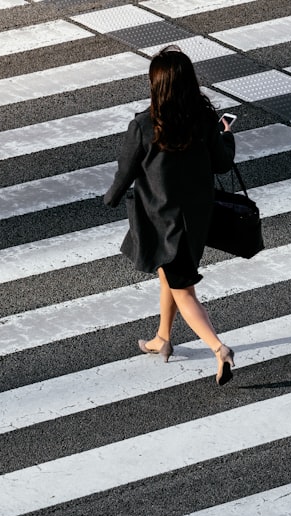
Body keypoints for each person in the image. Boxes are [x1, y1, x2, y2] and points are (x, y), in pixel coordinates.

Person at [104, 46, 238, 385]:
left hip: (161, 220)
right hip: (195, 218)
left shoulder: (144, 125)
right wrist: (227, 135)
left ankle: (218, 349)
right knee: (170, 275)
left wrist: (111, 199)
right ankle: (162, 339)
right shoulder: (203, 120)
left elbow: (126, 170)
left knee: (183, 289)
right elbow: (222, 163)